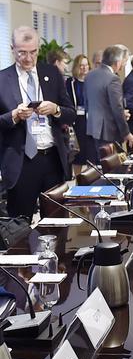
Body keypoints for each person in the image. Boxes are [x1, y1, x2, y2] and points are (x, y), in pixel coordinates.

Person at [0, 26, 76, 220]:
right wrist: (14, 116)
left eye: (33, 52)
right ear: (12, 49)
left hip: (52, 159)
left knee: (57, 222)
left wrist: (56, 109)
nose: (28, 58)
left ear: (38, 50)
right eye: (22, 53)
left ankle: (56, 252)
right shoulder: (2, 79)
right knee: (19, 227)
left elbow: (71, 114)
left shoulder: (52, 73)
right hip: (21, 163)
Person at [85, 45, 133, 153]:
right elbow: (117, 108)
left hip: (94, 128)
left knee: (102, 164)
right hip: (109, 131)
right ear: (117, 62)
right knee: (115, 167)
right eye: (124, 61)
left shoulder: (90, 75)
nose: (124, 65)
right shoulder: (113, 78)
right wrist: (127, 133)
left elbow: (87, 102)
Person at [65, 54, 97, 175]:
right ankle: (78, 181)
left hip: (91, 122)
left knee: (91, 155)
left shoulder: (93, 81)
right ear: (77, 67)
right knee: (79, 155)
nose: (84, 68)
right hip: (78, 122)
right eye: (81, 65)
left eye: (86, 65)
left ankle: (91, 181)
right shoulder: (71, 83)